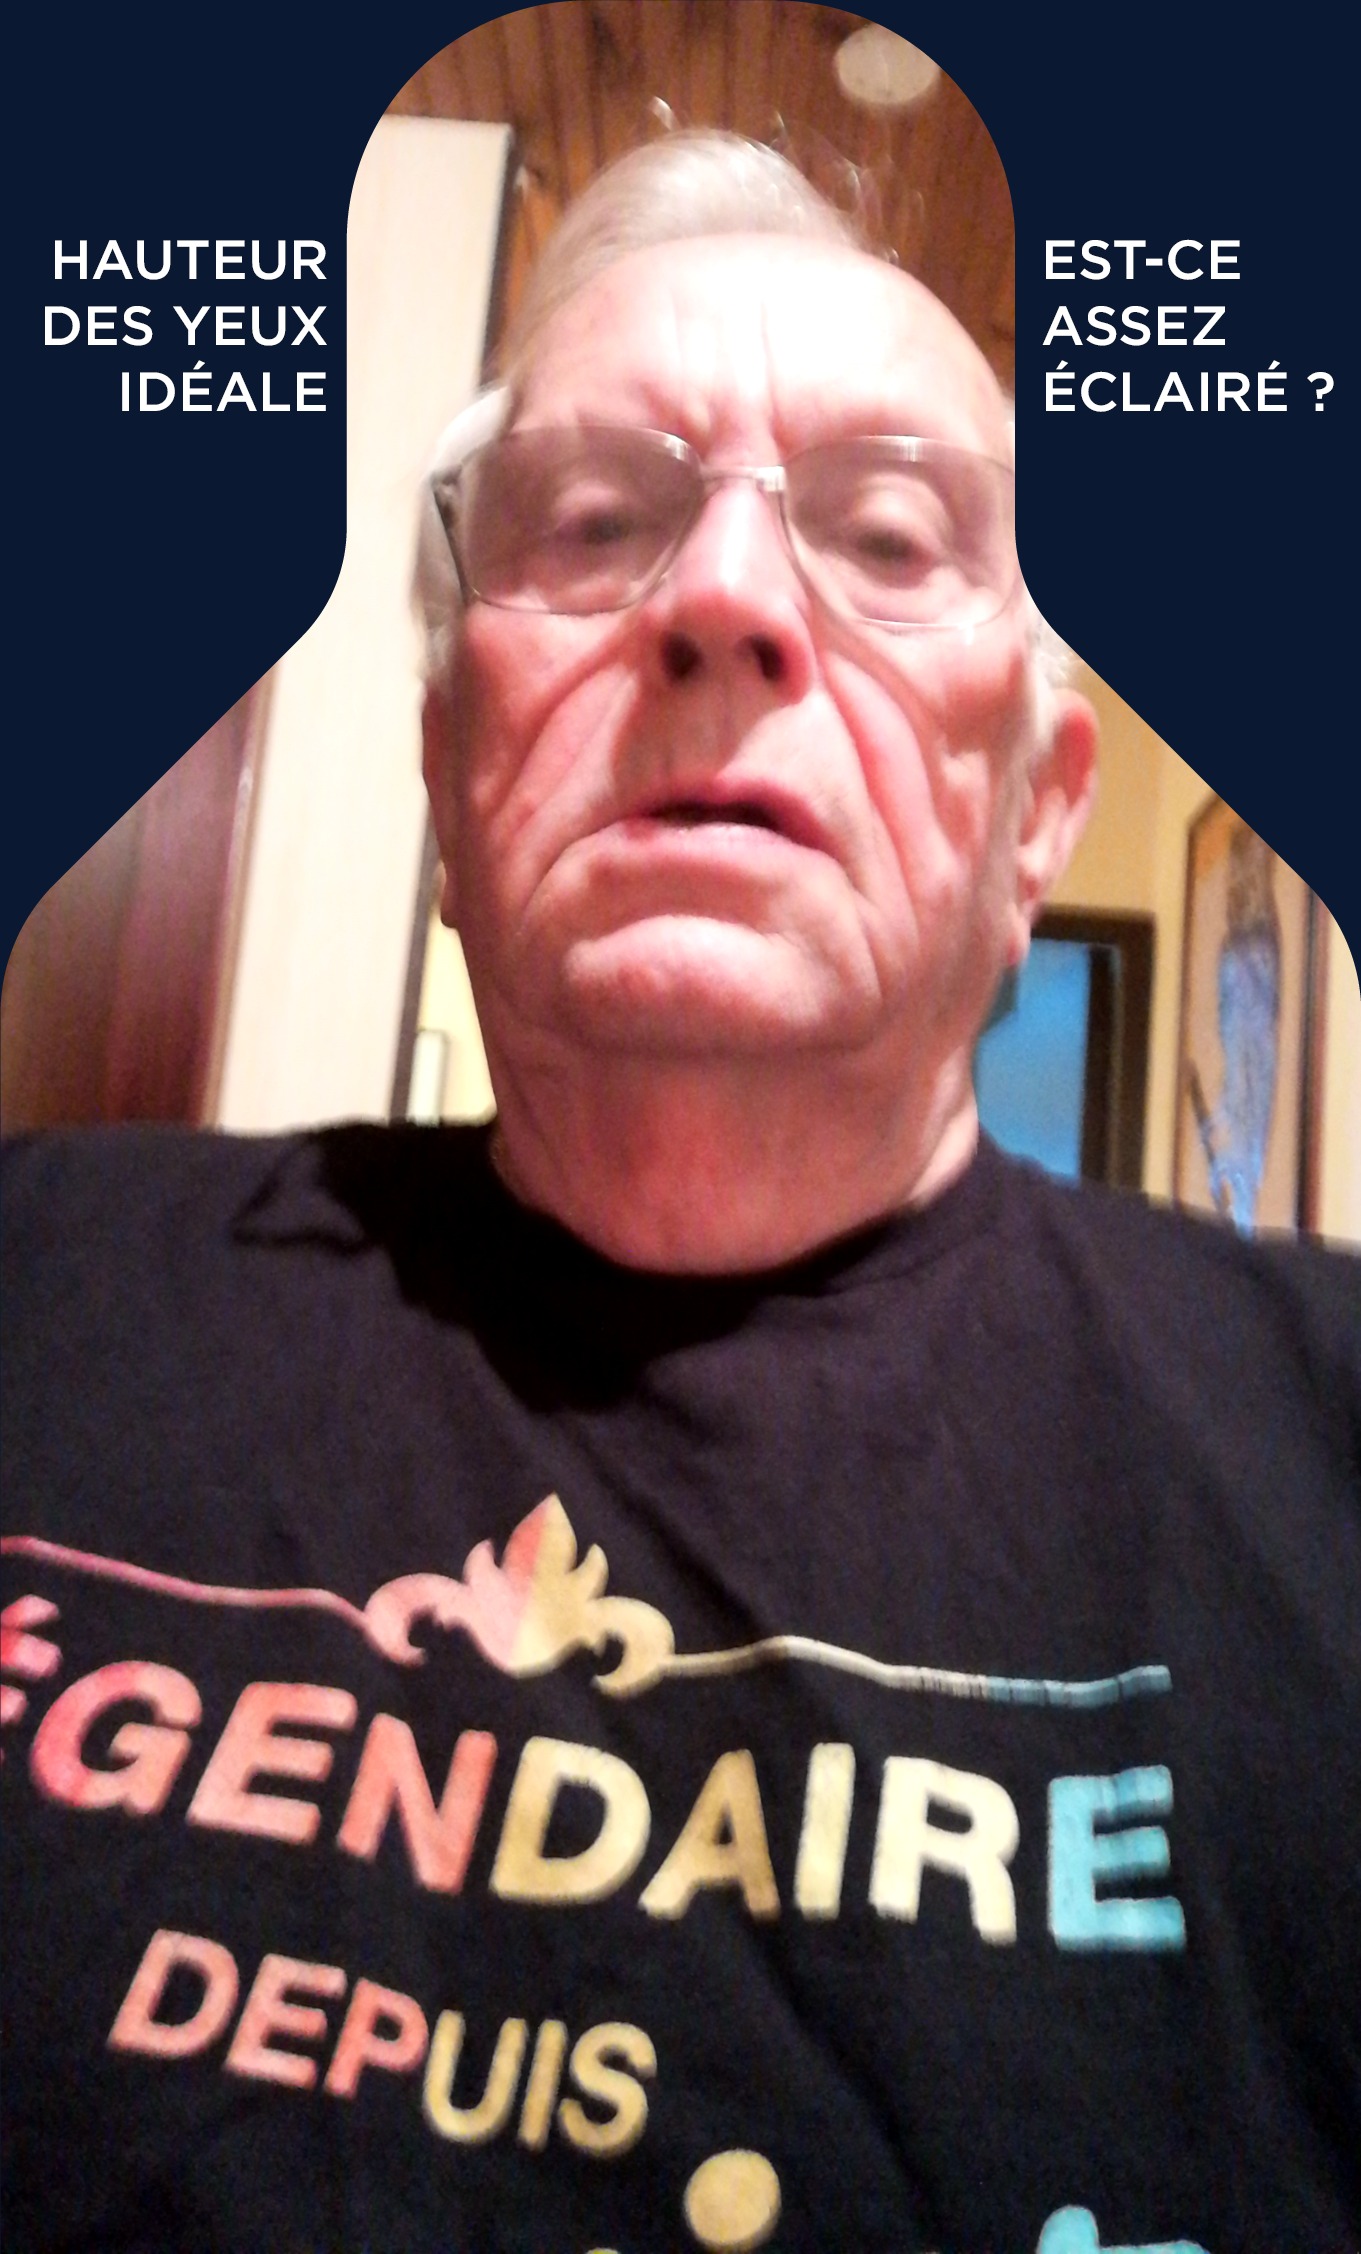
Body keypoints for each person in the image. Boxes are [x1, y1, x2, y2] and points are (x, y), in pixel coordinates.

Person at [2, 134, 1357, 2254]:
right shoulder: (37, 1283)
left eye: (886, 533)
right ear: (450, 759)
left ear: (1037, 813)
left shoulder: (1330, 1443)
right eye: (597, 520)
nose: (723, 597)